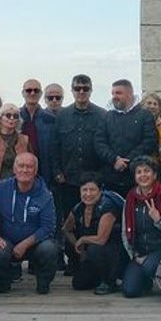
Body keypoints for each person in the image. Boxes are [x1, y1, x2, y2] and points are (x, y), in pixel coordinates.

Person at [0, 153, 59, 295]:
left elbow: (48, 227)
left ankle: (43, 282)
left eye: (29, 167)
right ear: (14, 169)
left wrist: (24, 244)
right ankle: (4, 280)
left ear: (35, 171)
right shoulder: (2, 187)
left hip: (35, 243)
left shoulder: (45, 195)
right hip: (7, 241)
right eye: (21, 166)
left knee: (50, 248)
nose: (24, 170)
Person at [54, 74, 105, 266]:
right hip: (69, 179)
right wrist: (57, 172)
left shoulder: (102, 115)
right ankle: (74, 260)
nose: (81, 92)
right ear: (72, 90)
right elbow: (55, 146)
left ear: (91, 90)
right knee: (70, 220)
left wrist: (101, 176)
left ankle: (91, 260)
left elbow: (104, 145)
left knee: (93, 221)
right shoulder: (62, 116)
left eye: (85, 88)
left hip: (93, 180)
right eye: (77, 88)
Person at [120, 157, 161, 298]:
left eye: (147, 171)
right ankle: (145, 280)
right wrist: (134, 255)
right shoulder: (131, 198)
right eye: (139, 172)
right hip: (140, 253)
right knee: (130, 291)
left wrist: (159, 221)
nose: (143, 175)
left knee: (149, 265)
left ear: (155, 175)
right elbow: (125, 231)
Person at [63, 173, 125, 295]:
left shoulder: (108, 206)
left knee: (94, 248)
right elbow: (66, 229)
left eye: (92, 190)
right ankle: (98, 277)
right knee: (79, 283)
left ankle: (110, 281)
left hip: (115, 252)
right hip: (93, 255)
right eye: (84, 190)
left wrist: (83, 239)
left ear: (100, 191)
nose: (88, 194)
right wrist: (78, 247)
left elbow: (101, 239)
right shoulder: (78, 208)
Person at [97, 79, 156, 197]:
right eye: (113, 93)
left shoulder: (145, 116)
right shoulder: (106, 117)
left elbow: (149, 141)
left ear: (129, 94)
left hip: (137, 179)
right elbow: (99, 142)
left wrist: (127, 161)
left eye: (118, 93)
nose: (114, 97)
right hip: (110, 179)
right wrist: (114, 159)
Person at [19, 80, 58, 186]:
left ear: (41, 94)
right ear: (23, 93)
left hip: (44, 173)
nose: (32, 93)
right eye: (29, 90)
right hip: (20, 171)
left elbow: (56, 149)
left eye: (36, 91)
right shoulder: (15, 117)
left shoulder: (50, 119)